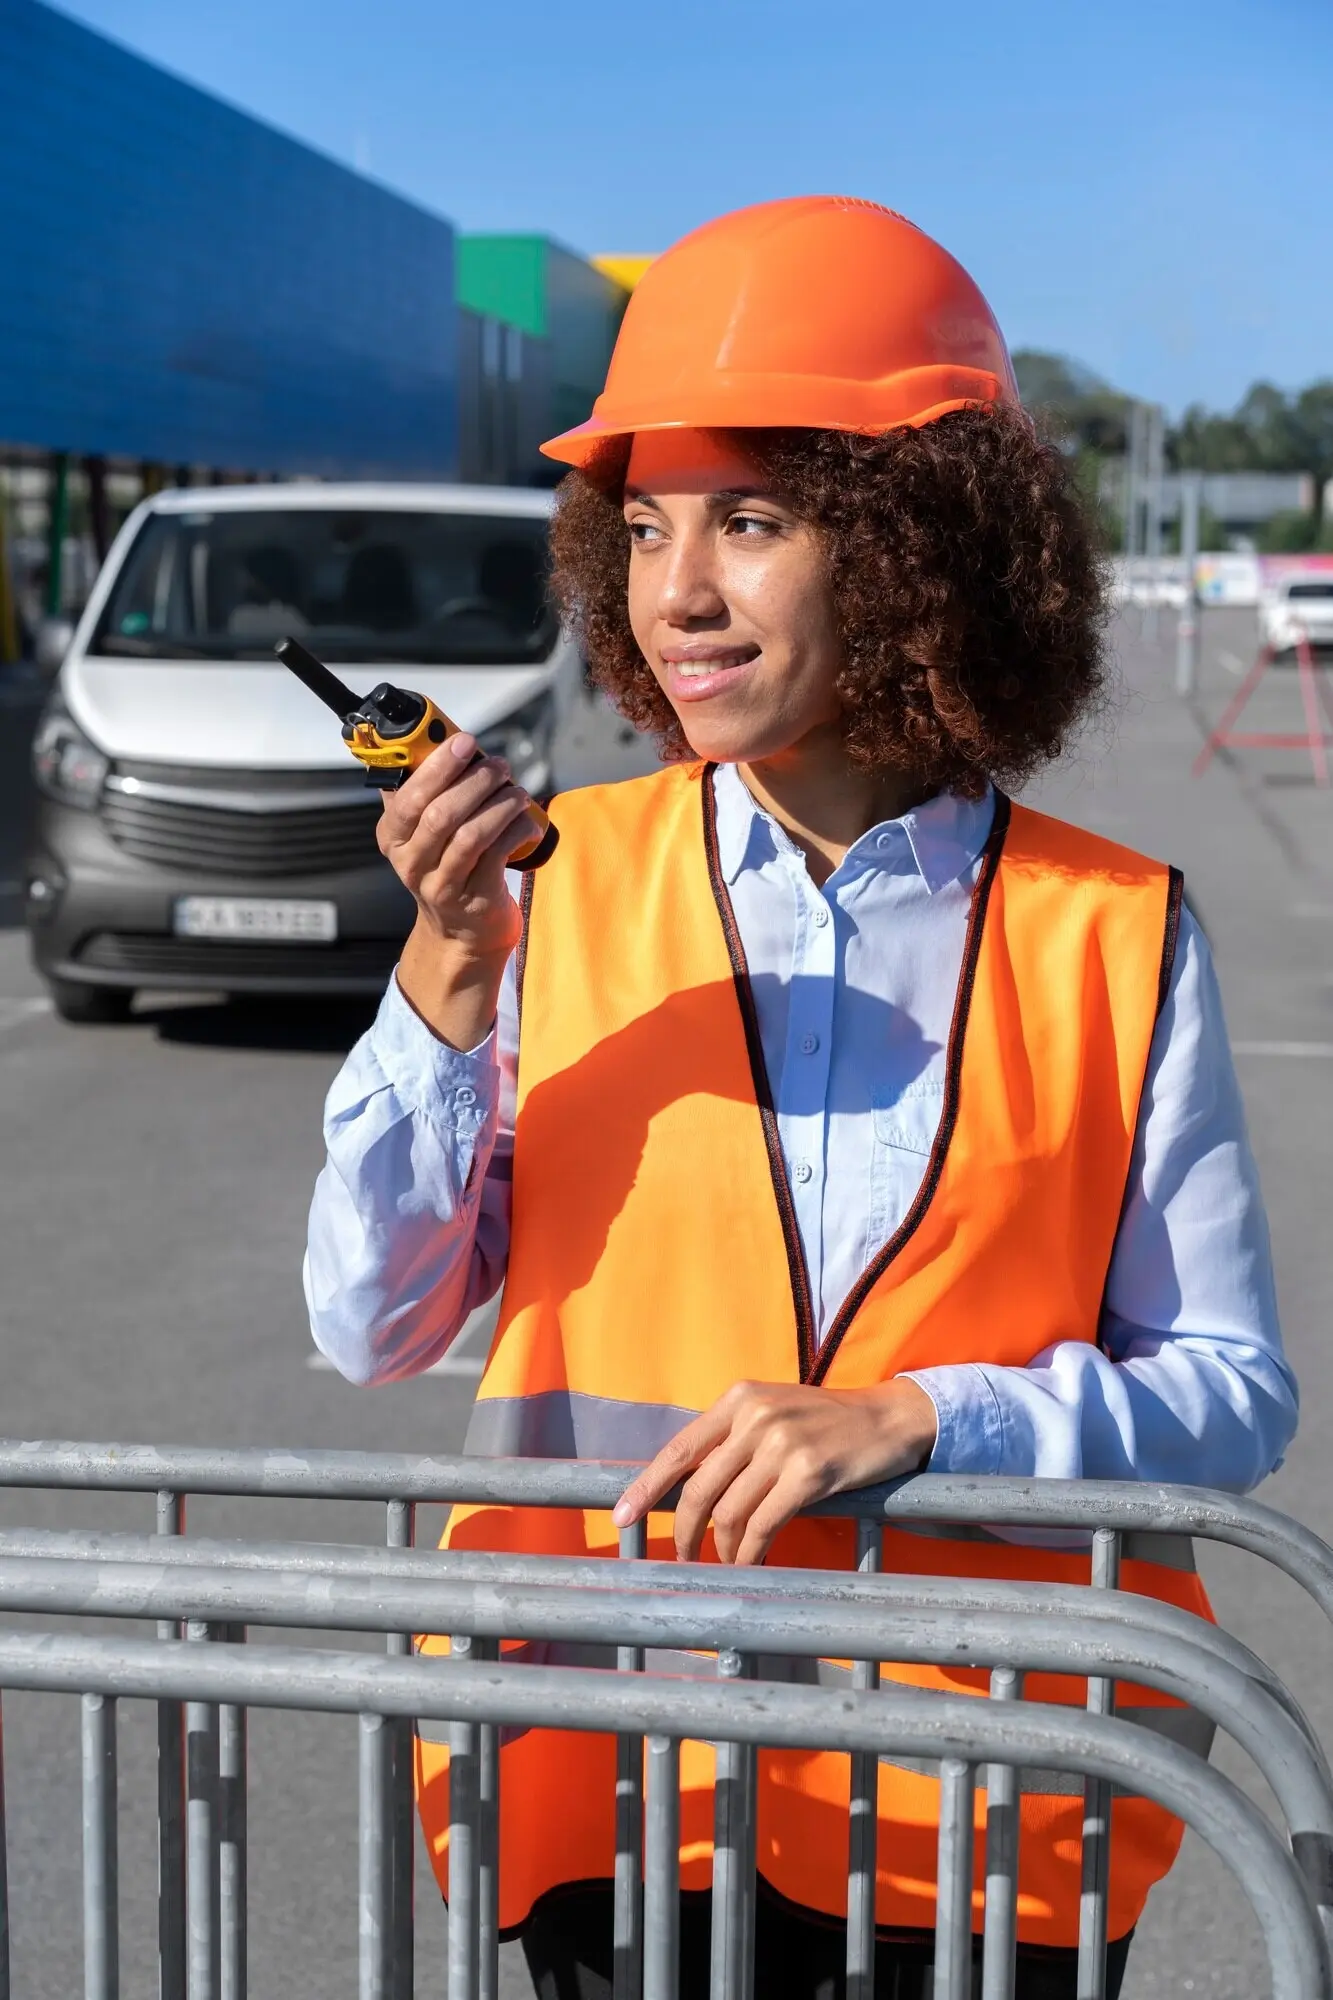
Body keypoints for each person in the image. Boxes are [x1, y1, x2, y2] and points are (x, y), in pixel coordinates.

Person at [305, 198, 1296, 2000]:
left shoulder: (1119, 932)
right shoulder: (548, 889)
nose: (673, 595)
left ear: (926, 546)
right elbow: (369, 1322)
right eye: (647, 528)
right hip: (620, 1791)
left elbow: (1230, 1396)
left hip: (986, 1809)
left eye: (751, 521)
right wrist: (444, 978)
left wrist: (931, 1421)